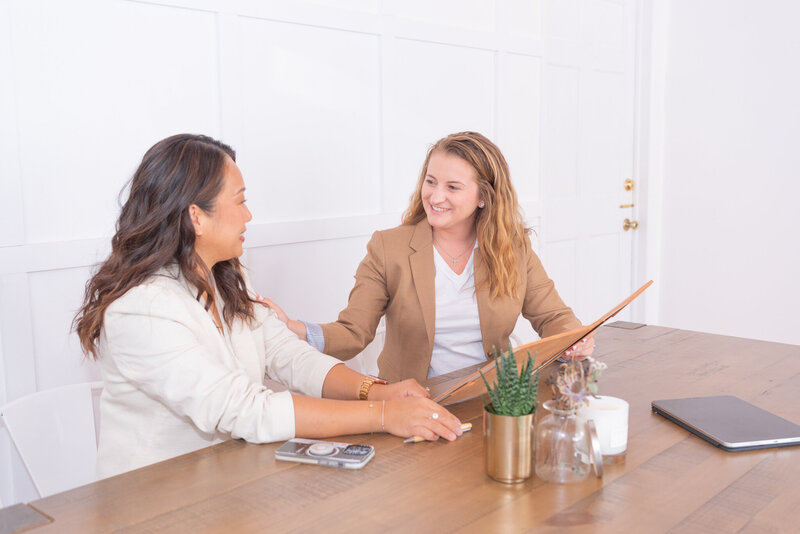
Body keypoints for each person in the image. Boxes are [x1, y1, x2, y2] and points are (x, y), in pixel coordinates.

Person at [73, 134, 462, 479]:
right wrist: (382, 417)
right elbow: (246, 409)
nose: (249, 215)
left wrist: (377, 393)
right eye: (239, 202)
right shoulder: (141, 309)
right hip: (150, 505)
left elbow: (289, 355)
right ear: (196, 217)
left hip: (229, 483)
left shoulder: (225, 275)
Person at [265, 131, 595, 383]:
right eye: (431, 181)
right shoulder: (388, 248)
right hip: (412, 404)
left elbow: (552, 316)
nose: (435, 196)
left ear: (484, 196)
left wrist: (574, 337)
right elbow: (354, 333)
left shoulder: (514, 248)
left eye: (453, 187)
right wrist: (296, 330)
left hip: (493, 397)